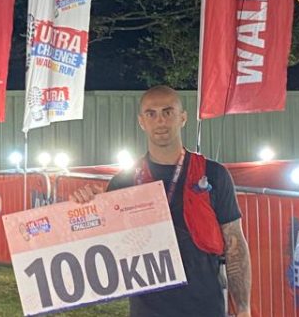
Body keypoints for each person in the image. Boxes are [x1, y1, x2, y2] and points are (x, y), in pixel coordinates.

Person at [71, 85, 252, 317]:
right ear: (141, 122)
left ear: (183, 117)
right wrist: (87, 206)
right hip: (147, 310)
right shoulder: (124, 182)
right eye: (151, 113)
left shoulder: (214, 174)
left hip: (205, 307)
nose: (160, 121)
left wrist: (243, 308)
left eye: (168, 112)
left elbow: (234, 243)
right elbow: (102, 247)